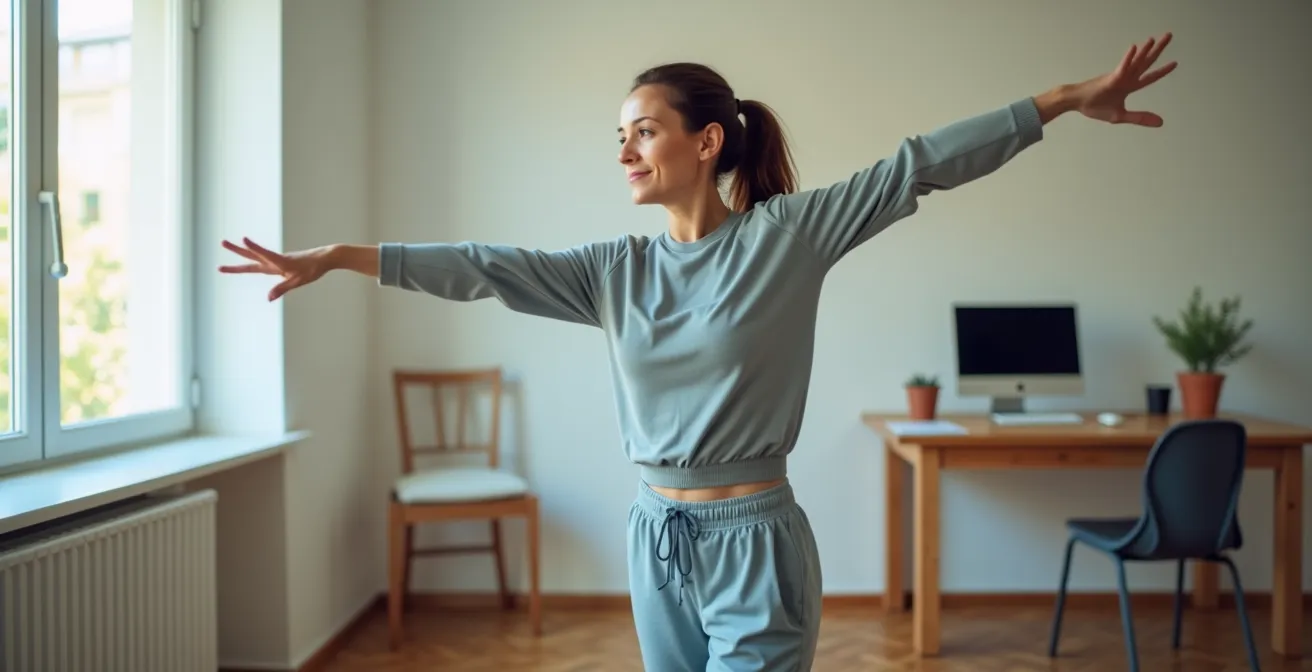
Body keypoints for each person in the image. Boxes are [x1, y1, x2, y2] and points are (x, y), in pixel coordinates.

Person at [220, 32, 1176, 671]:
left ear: (708, 140)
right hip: (656, 541)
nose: (627, 150)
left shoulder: (787, 237)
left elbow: (917, 165)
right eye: (620, 136)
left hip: (756, 538)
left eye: (645, 131)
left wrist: (1065, 97)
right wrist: (343, 258)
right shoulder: (613, 273)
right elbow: (484, 267)